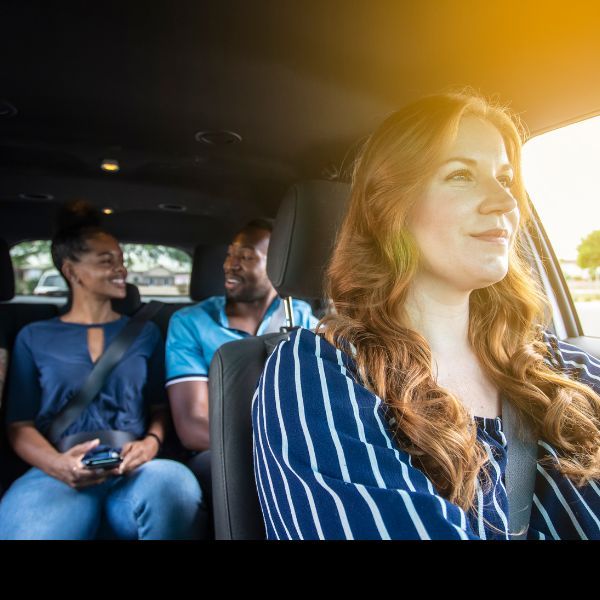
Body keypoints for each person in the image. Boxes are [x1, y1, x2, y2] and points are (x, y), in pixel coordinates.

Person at [252, 91, 600, 540]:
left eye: (505, 178)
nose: (506, 202)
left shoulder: (557, 363)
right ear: (389, 209)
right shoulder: (318, 375)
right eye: (460, 175)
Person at [0, 201, 205, 540]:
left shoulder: (146, 333)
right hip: (56, 470)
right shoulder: (33, 337)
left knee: (175, 485)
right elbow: (19, 425)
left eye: (121, 261)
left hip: (137, 468)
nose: (121, 269)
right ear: (71, 271)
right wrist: (58, 466)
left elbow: (159, 408)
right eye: (106, 261)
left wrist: (151, 444)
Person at [166, 219, 317, 512]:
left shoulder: (301, 317)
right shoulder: (190, 322)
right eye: (230, 254)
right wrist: (279, 449)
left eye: (246, 257)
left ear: (278, 267)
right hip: (219, 453)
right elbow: (191, 426)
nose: (230, 265)